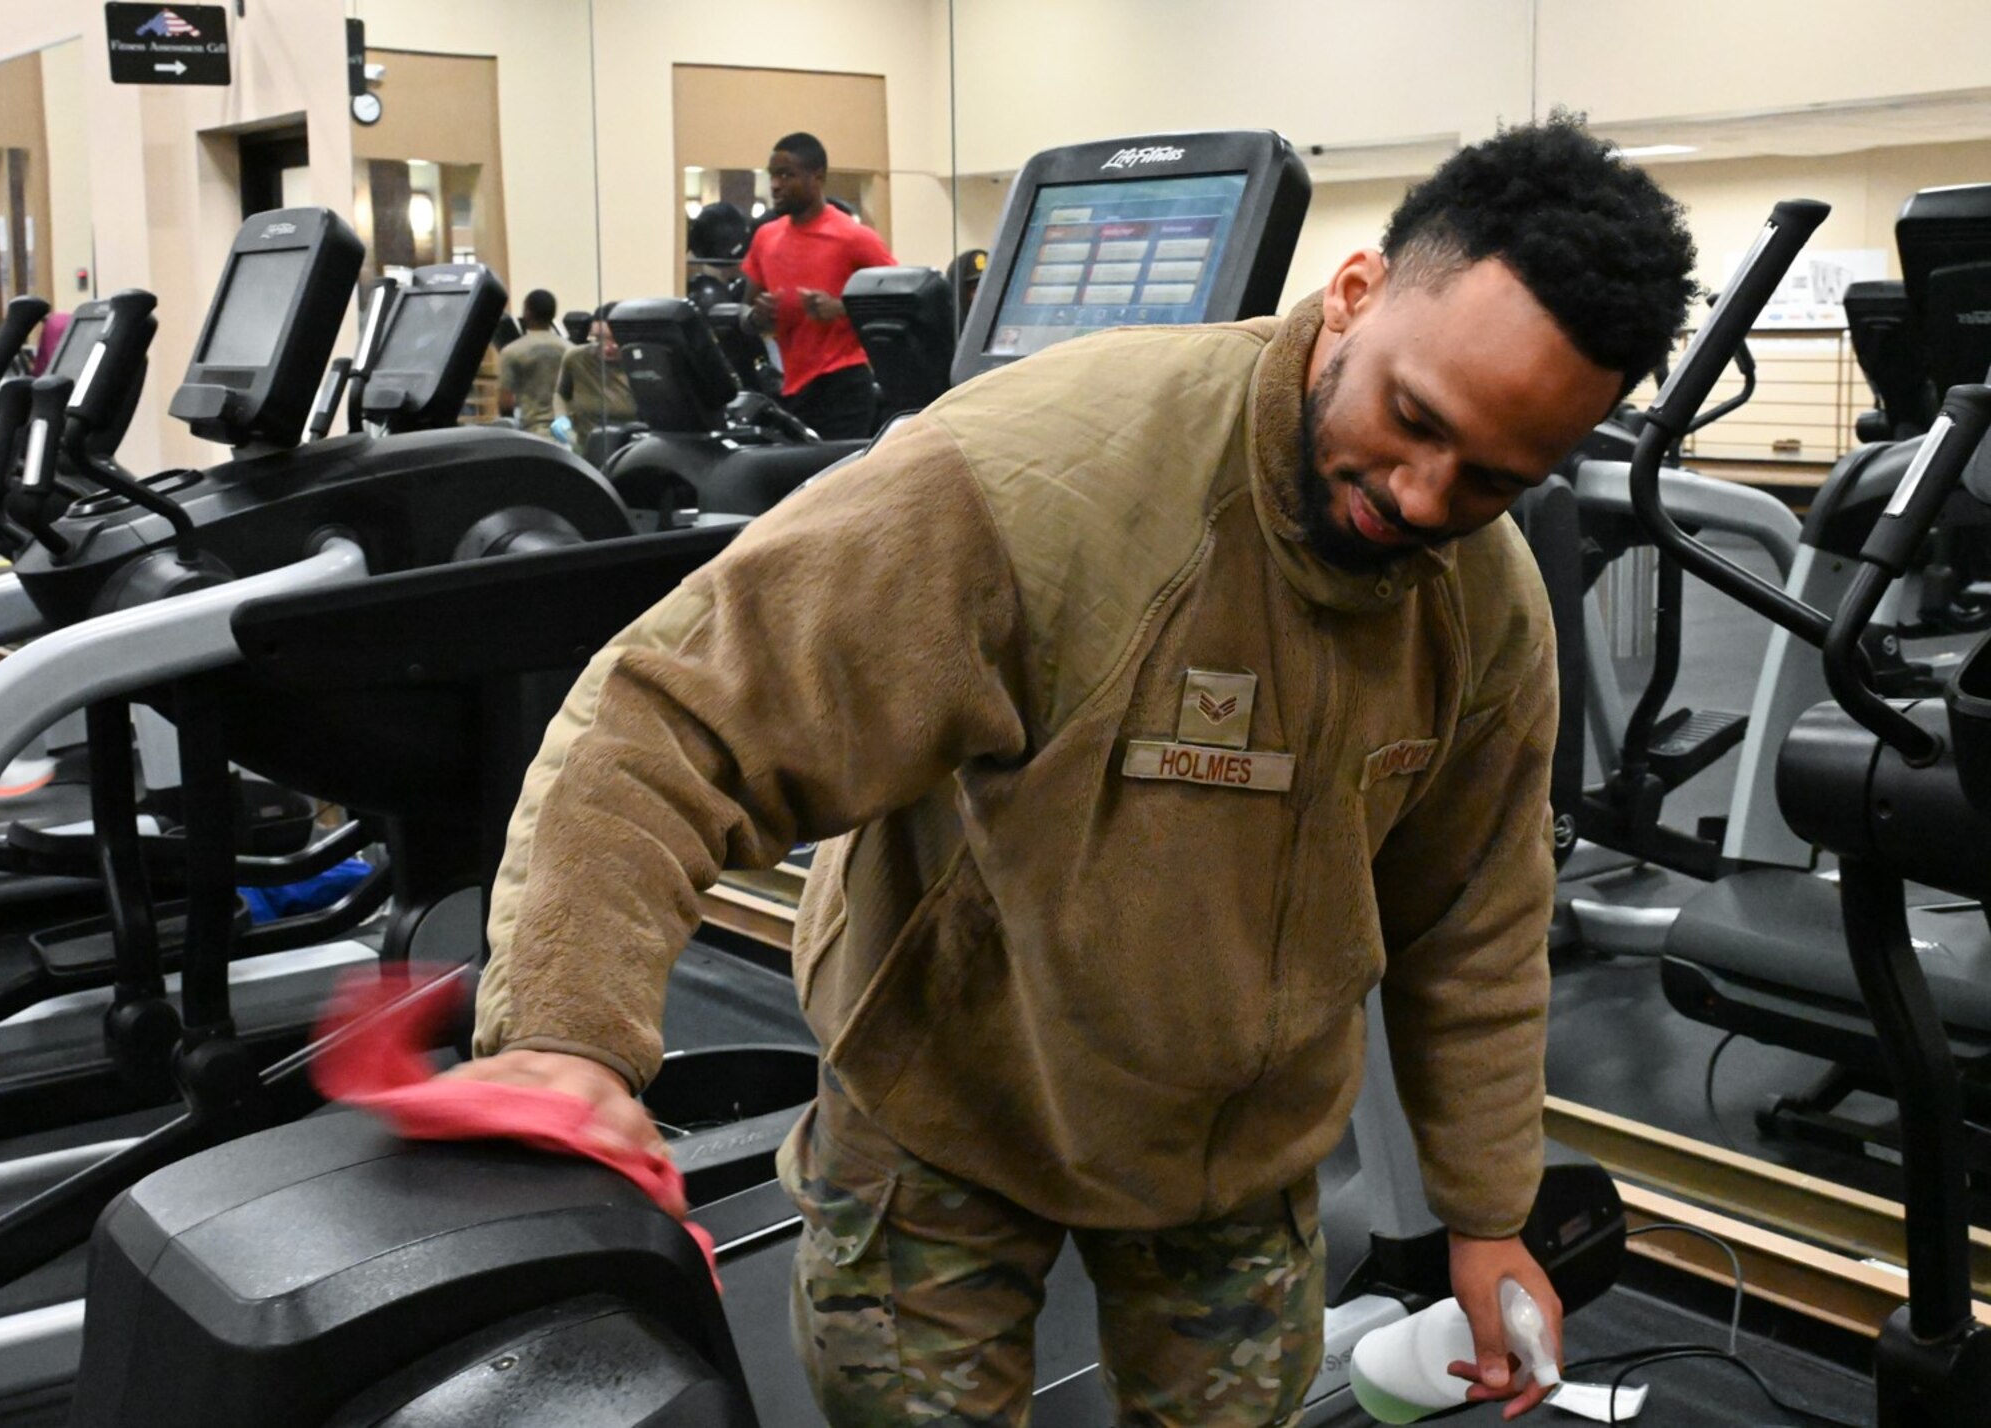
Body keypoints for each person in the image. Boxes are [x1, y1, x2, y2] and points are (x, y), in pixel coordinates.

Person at [460, 115, 1696, 1426]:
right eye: (1411, 419)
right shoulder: (1037, 484)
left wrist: (1489, 1215)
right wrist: (565, 1035)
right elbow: (667, 722)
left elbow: (1473, 921)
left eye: (1494, 479)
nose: (1428, 497)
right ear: (1352, 296)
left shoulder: (1482, 607)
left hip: (1233, 1153)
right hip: (942, 1118)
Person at [741, 131, 897, 439]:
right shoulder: (765, 238)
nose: (775, 185)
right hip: (790, 386)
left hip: (843, 384)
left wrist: (840, 307)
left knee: (835, 483)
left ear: (817, 177)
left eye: (786, 175)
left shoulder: (852, 236)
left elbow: (896, 300)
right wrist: (757, 317)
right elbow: (746, 313)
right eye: (772, 175)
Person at [553, 300, 635, 455]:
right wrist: (560, 417)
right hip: (585, 446)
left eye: (613, 339)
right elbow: (561, 394)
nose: (606, 347)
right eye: (598, 339)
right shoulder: (576, 358)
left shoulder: (637, 362)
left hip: (628, 448)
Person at [498, 289, 571, 437]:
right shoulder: (571, 349)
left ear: (527, 311)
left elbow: (505, 402)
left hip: (532, 432)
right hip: (567, 431)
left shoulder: (512, 352)